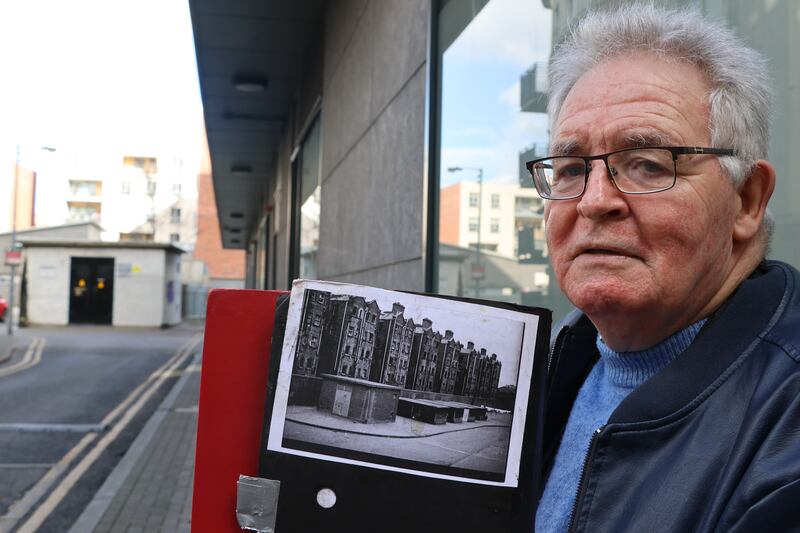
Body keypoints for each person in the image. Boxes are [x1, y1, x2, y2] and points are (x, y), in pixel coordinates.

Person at [527, 3, 800, 532]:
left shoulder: (785, 414)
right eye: (569, 170)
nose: (593, 202)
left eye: (648, 164)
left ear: (746, 199)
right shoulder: (559, 359)